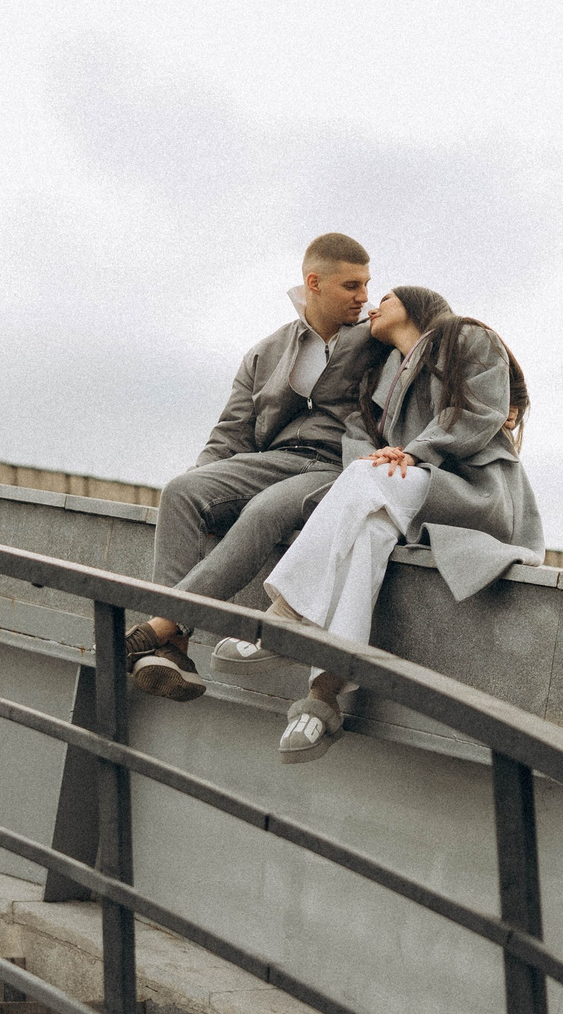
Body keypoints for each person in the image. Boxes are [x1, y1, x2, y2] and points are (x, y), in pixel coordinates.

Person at [266, 284, 541, 762]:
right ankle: (324, 696)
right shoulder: (383, 378)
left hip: (471, 492)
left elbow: (479, 411)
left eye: (386, 298)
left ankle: (289, 610)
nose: (374, 306)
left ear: (416, 303)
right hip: (407, 495)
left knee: (370, 478)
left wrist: (413, 453)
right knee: (369, 531)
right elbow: (361, 447)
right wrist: (386, 458)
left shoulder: (466, 336)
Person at [126, 233, 387, 701]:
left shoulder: (377, 338)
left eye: (367, 284)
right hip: (276, 459)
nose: (364, 296)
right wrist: (203, 487)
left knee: (266, 509)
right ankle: (174, 650)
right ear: (315, 283)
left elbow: (433, 344)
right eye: (352, 286)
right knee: (182, 490)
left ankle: (157, 627)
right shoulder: (267, 352)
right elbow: (229, 435)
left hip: (340, 469)